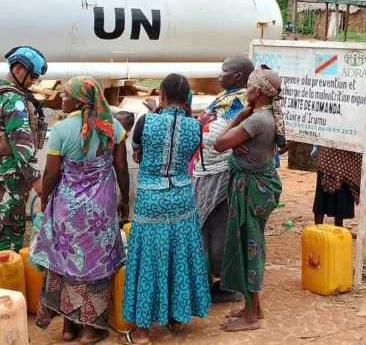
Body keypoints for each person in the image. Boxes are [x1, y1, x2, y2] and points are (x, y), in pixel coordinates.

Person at [30, 76, 130, 344]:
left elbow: (50, 174)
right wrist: (125, 200)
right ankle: (90, 329)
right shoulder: (113, 127)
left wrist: (45, 200)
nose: (62, 99)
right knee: (96, 265)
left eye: (66, 95)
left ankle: (69, 327)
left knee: (66, 262)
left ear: (80, 100)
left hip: (66, 209)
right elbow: (121, 168)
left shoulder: (62, 130)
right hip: (100, 210)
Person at [120, 74, 211, 345]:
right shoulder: (195, 126)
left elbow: (137, 150)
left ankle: (142, 332)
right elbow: (189, 155)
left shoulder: (146, 121)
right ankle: (176, 318)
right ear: (187, 99)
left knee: (148, 260)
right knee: (178, 256)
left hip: (151, 200)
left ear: (161, 95)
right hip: (182, 197)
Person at [213, 65, 284, 333]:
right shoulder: (266, 117)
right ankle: (253, 306)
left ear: (256, 91)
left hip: (251, 189)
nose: (247, 92)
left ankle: (251, 316)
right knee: (251, 244)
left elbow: (218, 143)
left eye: (249, 88)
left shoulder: (255, 120)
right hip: (260, 187)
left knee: (249, 247)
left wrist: (239, 118)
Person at [192, 56, 255, 304]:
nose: (220, 75)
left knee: (220, 230)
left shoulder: (244, 102)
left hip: (222, 175)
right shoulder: (227, 97)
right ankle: (210, 280)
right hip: (207, 172)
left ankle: (230, 286)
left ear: (238, 76)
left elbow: (243, 132)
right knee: (206, 228)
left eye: (224, 71)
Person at [0, 46, 47, 253]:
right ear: (19, 69)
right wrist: (36, 178)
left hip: (6, 168)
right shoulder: (14, 100)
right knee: (11, 226)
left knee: (5, 221)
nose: (33, 81)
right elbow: (22, 143)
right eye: (32, 76)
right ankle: (4, 266)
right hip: (15, 171)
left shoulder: (0, 92)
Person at [312, 146, 361, 233]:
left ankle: (339, 227)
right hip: (329, 154)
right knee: (322, 193)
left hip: (348, 156)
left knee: (342, 193)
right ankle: (318, 228)